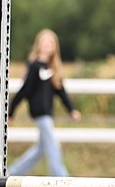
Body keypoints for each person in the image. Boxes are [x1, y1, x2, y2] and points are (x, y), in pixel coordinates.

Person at [8, 29, 81, 176]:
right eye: (45, 42)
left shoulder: (54, 69)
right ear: (38, 45)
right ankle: (61, 177)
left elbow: (61, 92)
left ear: (55, 46)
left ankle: (12, 173)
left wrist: (71, 109)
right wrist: (11, 111)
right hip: (39, 112)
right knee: (53, 145)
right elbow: (25, 90)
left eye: (51, 42)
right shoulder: (34, 66)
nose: (48, 45)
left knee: (40, 150)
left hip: (48, 112)